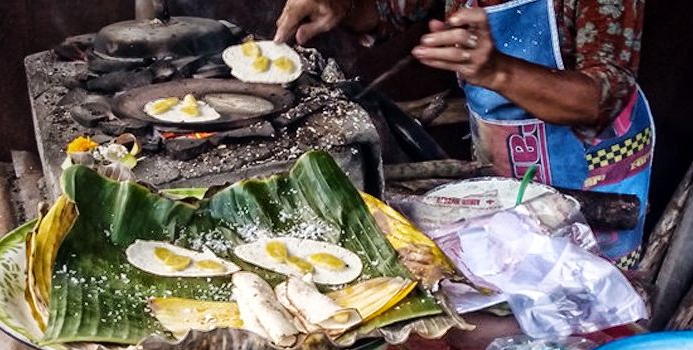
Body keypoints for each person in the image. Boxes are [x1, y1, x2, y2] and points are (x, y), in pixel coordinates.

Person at [275, 0, 653, 266]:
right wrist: (342, 5)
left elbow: (599, 99)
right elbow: (386, 12)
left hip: (592, 170)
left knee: (585, 305)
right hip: (505, 167)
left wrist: (497, 71)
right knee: (509, 290)